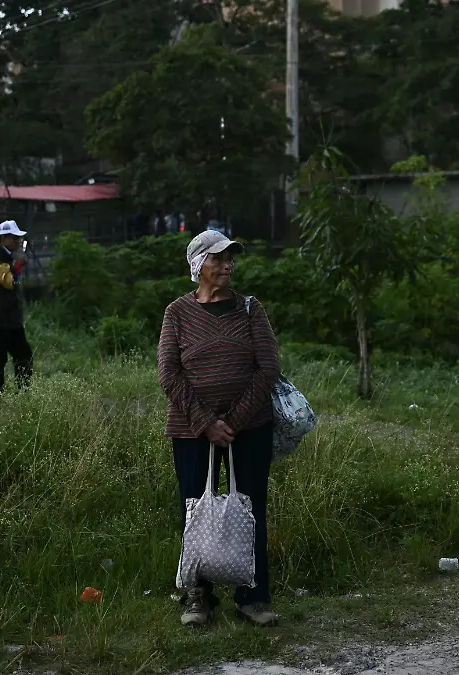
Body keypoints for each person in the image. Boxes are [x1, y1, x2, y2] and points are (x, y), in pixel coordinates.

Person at [157, 230, 281, 629]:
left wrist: (234, 421)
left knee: (250, 509)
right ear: (197, 265)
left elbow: (268, 369)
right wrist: (207, 423)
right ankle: (198, 596)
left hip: (250, 428)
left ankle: (253, 596)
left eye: (230, 258)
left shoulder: (250, 309)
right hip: (192, 430)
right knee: (195, 510)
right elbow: (169, 375)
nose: (227, 265)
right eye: (218, 258)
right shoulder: (177, 313)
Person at [0, 220, 33, 406]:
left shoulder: (4, 256)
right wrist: (18, 265)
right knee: (0, 361)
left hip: (9, 319)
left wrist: (16, 263)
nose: (19, 240)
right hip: (1, 319)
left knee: (22, 357)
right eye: (15, 237)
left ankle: (19, 395)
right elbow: (10, 283)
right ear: (4, 238)